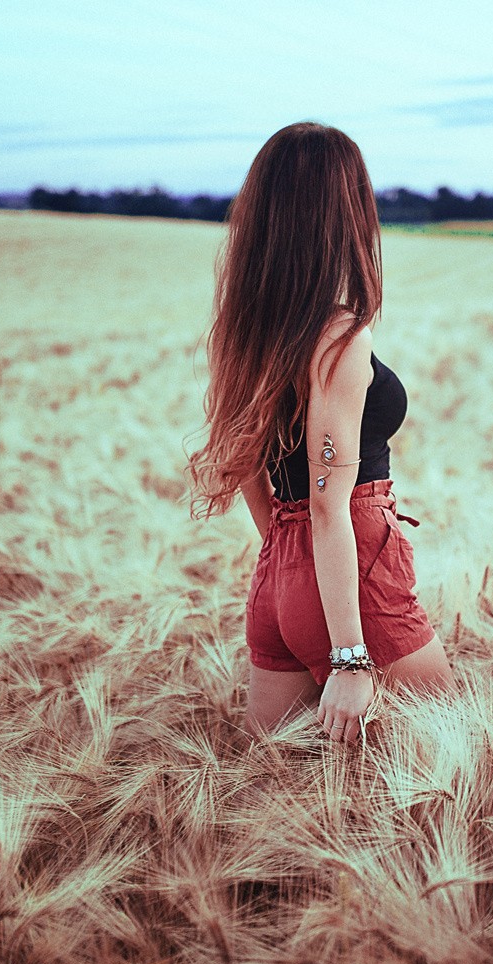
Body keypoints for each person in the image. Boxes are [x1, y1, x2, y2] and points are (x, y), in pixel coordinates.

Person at [187, 121, 454, 744]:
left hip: (277, 572)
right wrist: (350, 658)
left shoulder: (240, 329)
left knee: (268, 780)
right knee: (454, 736)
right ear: (343, 217)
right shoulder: (339, 337)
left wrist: (292, 564)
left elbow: (245, 462)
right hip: (352, 575)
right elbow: (331, 507)